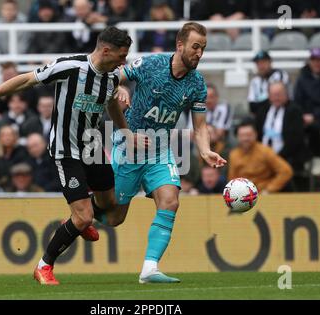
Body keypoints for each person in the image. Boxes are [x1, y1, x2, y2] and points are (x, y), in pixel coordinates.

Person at [0, 26, 133, 285]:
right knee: (84, 216)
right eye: (121, 55)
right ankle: (44, 265)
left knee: (110, 207)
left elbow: (110, 104)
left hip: (92, 147)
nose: (124, 61)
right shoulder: (70, 67)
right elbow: (25, 80)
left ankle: (74, 221)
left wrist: (125, 132)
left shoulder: (112, 78)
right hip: (66, 151)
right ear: (106, 50)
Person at [94, 22, 227, 283]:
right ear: (180, 45)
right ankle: (84, 214)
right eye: (195, 47)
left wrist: (205, 150)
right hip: (129, 146)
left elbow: (199, 126)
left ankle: (149, 268)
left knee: (170, 200)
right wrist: (119, 86)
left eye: (203, 48)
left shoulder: (197, 84)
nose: (199, 53)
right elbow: (115, 75)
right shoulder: (152, 65)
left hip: (160, 151)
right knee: (114, 218)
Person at [254, 82, 309, 172]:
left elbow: (295, 140)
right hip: (262, 153)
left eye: (279, 94)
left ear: (286, 94)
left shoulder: (294, 110)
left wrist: (275, 157)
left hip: (286, 155)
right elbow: (257, 132)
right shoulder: (263, 109)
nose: (276, 98)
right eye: (273, 95)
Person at [228, 119, 293, 193]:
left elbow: (286, 171)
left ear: (255, 135)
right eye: (242, 135)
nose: (245, 138)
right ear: (237, 137)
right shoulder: (233, 155)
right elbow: (232, 180)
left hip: (263, 193)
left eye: (248, 135)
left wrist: (269, 189)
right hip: (243, 196)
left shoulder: (265, 151)